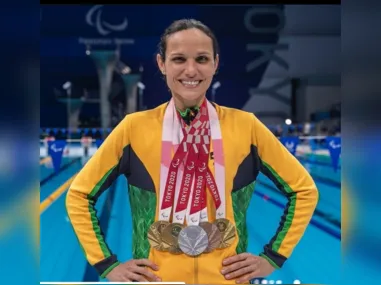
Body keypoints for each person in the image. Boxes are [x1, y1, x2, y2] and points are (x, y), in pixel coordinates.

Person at [65, 19, 319, 284]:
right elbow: (79, 195)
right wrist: (107, 264)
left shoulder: (247, 127)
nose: (190, 70)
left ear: (215, 64)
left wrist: (272, 257)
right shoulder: (133, 129)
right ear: (161, 64)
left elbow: (304, 190)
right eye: (178, 59)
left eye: (201, 58)